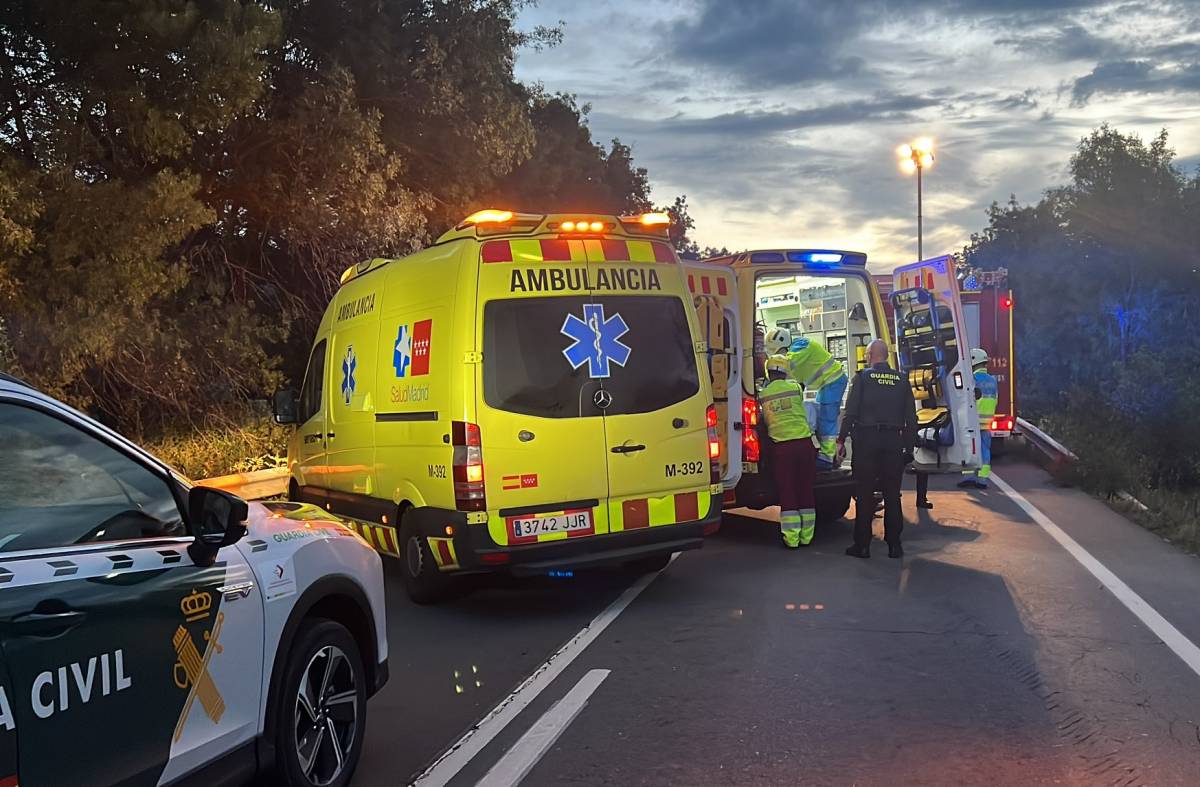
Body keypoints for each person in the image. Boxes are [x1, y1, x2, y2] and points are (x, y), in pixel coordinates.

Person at [837, 339, 917, 559]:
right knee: (893, 494)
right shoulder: (902, 380)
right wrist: (908, 447)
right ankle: (894, 545)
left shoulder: (862, 378)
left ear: (871, 355)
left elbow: (851, 412)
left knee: (864, 494)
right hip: (893, 442)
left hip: (867, 442)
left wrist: (841, 439)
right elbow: (911, 418)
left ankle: (862, 546)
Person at [763, 327, 848, 469]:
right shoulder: (797, 346)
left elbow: (782, 365)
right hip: (827, 383)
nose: (778, 355)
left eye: (778, 352)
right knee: (823, 419)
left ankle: (827, 458)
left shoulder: (798, 350)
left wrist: (766, 374)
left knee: (827, 419)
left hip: (832, 381)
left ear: (784, 345)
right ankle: (828, 454)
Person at [760, 356, 817, 548]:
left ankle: (792, 539)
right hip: (804, 444)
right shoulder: (795, 388)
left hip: (782, 448)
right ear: (785, 372)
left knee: (788, 491)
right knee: (805, 489)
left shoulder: (763, 394)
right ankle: (807, 536)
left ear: (769, 373)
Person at [958, 348, 998, 489]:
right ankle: (982, 479)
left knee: (969, 449)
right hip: (987, 422)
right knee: (985, 451)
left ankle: (969, 477)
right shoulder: (993, 380)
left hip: (973, 422)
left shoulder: (971, 379)